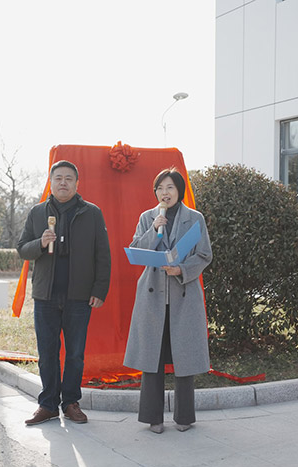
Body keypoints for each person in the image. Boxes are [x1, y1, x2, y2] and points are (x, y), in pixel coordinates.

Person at [17, 160, 111, 425]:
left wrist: (99, 289)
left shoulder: (91, 213)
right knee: (47, 353)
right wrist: (40, 243)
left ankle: (70, 402)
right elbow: (22, 248)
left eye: (69, 178)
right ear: (51, 181)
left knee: (75, 354)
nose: (63, 182)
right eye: (58, 178)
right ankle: (47, 405)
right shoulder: (37, 213)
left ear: (77, 183)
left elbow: (102, 255)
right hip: (46, 295)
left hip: (79, 296)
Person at [124, 168, 212, 433]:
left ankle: (184, 417)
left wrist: (182, 270)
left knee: (184, 358)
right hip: (152, 295)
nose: (165, 192)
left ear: (179, 191)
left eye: (170, 187)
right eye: (160, 188)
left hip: (183, 295)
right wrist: (154, 229)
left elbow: (204, 254)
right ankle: (154, 418)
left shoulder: (195, 218)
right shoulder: (147, 217)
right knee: (153, 359)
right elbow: (137, 249)